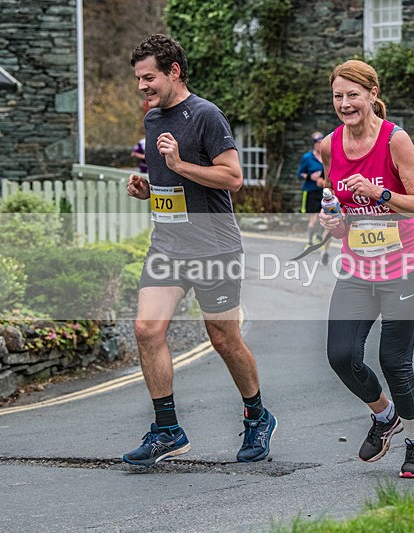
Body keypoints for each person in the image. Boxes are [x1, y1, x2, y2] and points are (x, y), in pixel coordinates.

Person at [123, 34, 276, 466]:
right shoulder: (153, 119)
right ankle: (168, 429)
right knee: (146, 329)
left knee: (223, 338)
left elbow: (232, 178)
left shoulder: (207, 115)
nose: (142, 87)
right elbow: (176, 188)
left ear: (173, 71)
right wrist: (150, 189)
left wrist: (177, 166)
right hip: (168, 245)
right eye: (138, 79)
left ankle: (257, 415)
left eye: (148, 77)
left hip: (214, 247)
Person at [318, 59, 414, 478]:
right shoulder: (332, 144)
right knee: (341, 355)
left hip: (405, 265)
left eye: (353, 95)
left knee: (394, 360)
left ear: (371, 94)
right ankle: (385, 416)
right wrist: (331, 221)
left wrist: (380, 192)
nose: (345, 104)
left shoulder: (394, 141)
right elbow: (338, 206)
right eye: (338, 96)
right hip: (357, 267)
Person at [297, 131, 331, 265]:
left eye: (322, 142)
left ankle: (322, 245)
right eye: (318, 143)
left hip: (326, 193)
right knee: (315, 218)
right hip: (311, 191)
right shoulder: (307, 157)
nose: (320, 145)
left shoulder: (327, 157)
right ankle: (310, 240)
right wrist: (310, 176)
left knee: (327, 220)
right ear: (314, 144)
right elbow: (300, 174)